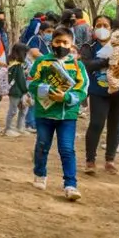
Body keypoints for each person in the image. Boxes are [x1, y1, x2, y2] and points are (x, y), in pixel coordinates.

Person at [28, 27, 89, 201]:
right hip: (44, 113)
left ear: (72, 45)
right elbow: (31, 82)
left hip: (67, 115)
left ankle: (70, 185)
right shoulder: (42, 62)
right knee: (42, 145)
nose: (61, 45)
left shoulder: (78, 65)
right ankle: (40, 174)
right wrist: (46, 90)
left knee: (67, 149)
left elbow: (82, 89)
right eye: (57, 42)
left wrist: (66, 97)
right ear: (51, 43)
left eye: (65, 42)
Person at [80, 16, 119, 175]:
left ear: (111, 28)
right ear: (94, 28)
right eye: (98, 25)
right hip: (98, 92)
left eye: (105, 25)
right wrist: (108, 60)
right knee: (96, 124)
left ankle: (110, 160)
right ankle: (90, 161)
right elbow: (86, 65)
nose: (102, 28)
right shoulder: (89, 46)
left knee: (115, 125)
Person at [4, 43, 30, 135]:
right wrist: (26, 91)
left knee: (23, 109)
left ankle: (19, 127)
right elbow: (20, 80)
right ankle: (8, 129)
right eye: (25, 53)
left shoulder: (15, 63)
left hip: (18, 91)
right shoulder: (17, 65)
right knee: (13, 110)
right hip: (16, 91)